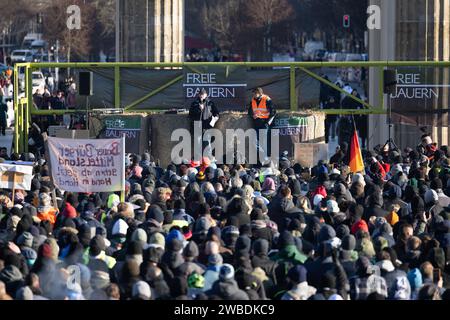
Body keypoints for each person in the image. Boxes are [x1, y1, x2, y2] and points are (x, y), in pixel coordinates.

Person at [189, 88, 219, 160]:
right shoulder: (194, 103)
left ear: (206, 95)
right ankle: (198, 160)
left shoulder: (210, 103)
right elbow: (190, 115)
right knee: (197, 144)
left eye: (202, 94)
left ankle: (208, 161)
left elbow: (216, 113)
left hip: (207, 127)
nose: (201, 95)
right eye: (200, 94)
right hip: (197, 127)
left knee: (207, 144)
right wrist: (199, 110)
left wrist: (215, 119)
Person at [248, 88, 276, 159]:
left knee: (264, 143)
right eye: (253, 93)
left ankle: (265, 159)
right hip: (256, 123)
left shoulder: (267, 99)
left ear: (260, 93)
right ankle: (264, 158)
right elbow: (250, 111)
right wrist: (252, 115)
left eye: (255, 93)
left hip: (264, 123)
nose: (253, 95)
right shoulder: (253, 100)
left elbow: (273, 112)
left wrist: (267, 123)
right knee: (254, 141)